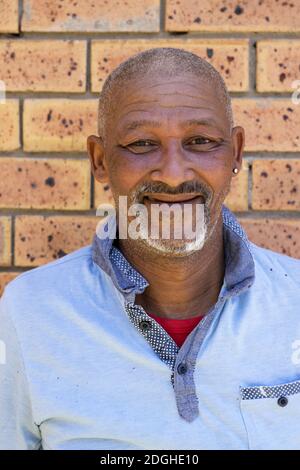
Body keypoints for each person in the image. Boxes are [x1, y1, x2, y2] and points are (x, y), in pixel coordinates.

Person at [0, 47, 299, 450]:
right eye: (142, 143)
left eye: (201, 141)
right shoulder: (30, 310)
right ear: (100, 160)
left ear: (236, 152)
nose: (174, 175)